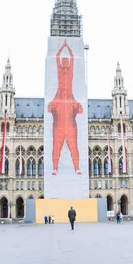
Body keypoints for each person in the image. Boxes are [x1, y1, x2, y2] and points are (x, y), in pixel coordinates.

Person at [48, 39, 83, 176]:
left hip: (70, 122)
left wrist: (67, 47)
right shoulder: (60, 73)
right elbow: (56, 57)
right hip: (59, 123)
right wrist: (63, 46)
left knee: (73, 146)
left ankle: (77, 168)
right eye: (63, 60)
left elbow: (73, 59)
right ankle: (55, 168)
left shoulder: (70, 75)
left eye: (66, 60)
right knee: (56, 146)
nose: (65, 61)